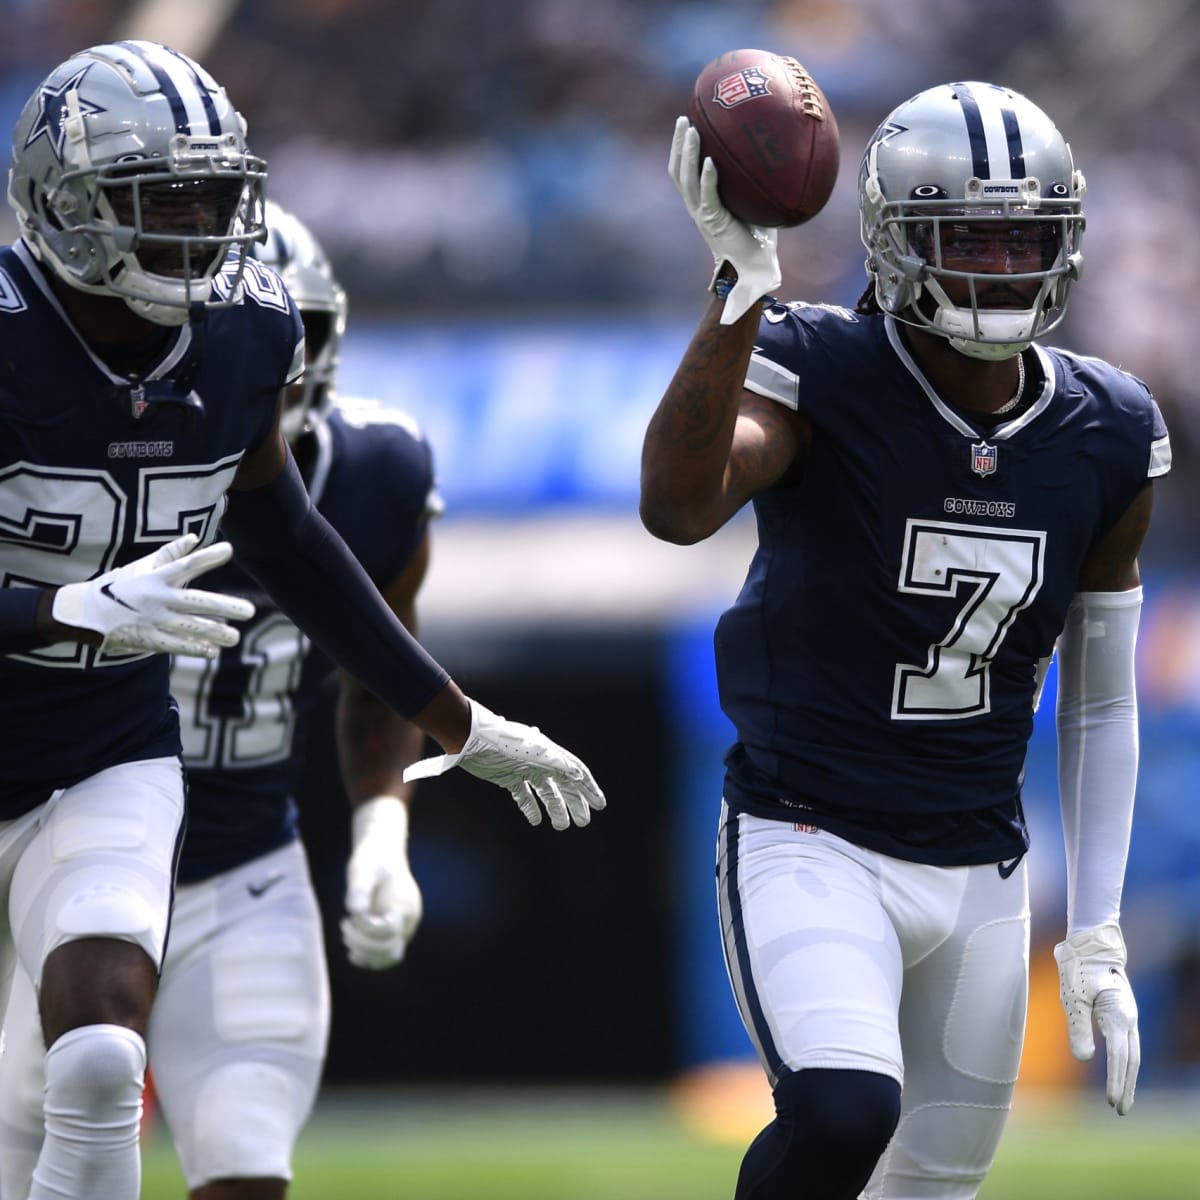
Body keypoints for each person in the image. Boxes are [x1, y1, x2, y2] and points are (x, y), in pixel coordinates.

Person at [0, 40, 603, 1200]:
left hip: (102, 750)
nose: (195, 228)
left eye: (210, 197)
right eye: (156, 200)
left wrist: (460, 725)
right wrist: (56, 603)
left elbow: (298, 551)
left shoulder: (243, 335)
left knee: (95, 1059)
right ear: (65, 206)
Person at [642, 81, 1168, 1200]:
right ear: (894, 240)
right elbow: (678, 507)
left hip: (981, 864)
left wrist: (1100, 930)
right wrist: (738, 290)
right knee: (842, 1110)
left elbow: (1103, 699)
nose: (1000, 263)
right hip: (809, 834)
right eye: (966, 235)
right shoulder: (824, 368)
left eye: (1024, 236)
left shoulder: (1110, 428)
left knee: (932, 1185)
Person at [0, 199, 442, 1198]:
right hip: (75, 845)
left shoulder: (374, 475)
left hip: (238, 869)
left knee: (246, 1172)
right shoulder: (101, 464)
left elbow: (382, 677)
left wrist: (383, 829)